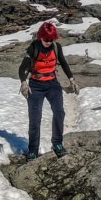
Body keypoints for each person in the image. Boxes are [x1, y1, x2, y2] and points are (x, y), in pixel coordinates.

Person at [18, 22, 78, 160]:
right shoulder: (33, 47)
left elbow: (63, 63)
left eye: (51, 39)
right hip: (35, 86)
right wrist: (23, 82)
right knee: (35, 118)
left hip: (52, 84)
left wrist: (71, 79)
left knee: (59, 112)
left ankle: (57, 143)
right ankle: (33, 150)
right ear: (40, 37)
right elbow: (22, 68)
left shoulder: (56, 47)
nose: (49, 42)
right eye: (46, 39)